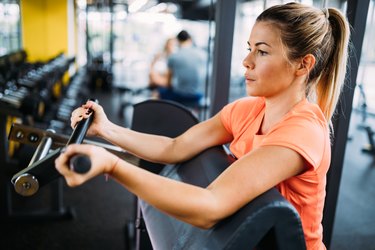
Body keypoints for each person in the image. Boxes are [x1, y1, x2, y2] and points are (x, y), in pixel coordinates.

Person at [55, 3, 350, 249]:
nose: (246, 61)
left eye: (261, 51)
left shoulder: (304, 131)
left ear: (303, 65)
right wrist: (106, 129)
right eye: (249, 48)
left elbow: (211, 206)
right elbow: (175, 146)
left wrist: (113, 165)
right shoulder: (246, 110)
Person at [148, 30, 207, 107]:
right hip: (198, 95)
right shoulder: (202, 55)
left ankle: (157, 117)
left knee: (157, 93)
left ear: (178, 41)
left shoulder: (174, 57)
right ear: (190, 40)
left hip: (181, 95)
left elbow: (169, 83)